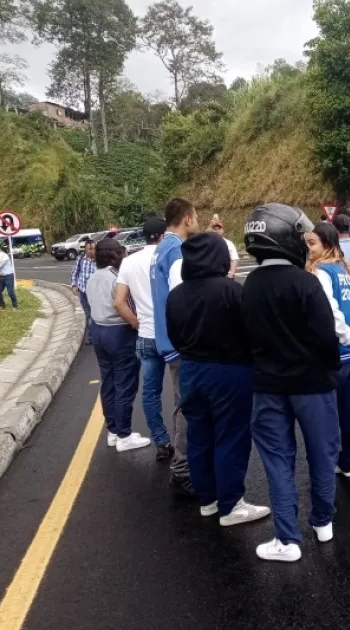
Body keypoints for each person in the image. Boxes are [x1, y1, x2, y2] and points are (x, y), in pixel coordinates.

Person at [240, 203, 342, 563]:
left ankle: (287, 538)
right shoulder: (306, 282)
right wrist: (331, 371)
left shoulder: (249, 285)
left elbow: (244, 338)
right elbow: (326, 337)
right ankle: (323, 523)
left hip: (268, 386)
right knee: (322, 452)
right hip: (313, 384)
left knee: (278, 459)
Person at [165, 232, 271, 527]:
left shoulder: (177, 295)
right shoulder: (230, 290)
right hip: (229, 371)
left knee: (199, 435)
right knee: (231, 436)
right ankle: (231, 503)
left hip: (190, 370)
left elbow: (173, 334)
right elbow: (252, 330)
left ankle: (208, 500)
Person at [304, 222, 350, 477]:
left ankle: (328, 463)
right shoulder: (343, 270)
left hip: (336, 352)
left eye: (312, 244)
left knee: (328, 413)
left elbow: (329, 314)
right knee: (349, 407)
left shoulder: (320, 272)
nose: (308, 249)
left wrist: (349, 336)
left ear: (328, 245)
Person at [150, 197, 200, 496]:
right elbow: (183, 300)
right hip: (182, 343)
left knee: (183, 404)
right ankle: (183, 471)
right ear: (187, 219)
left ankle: (185, 468)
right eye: (195, 217)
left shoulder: (161, 249)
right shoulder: (178, 251)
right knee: (188, 408)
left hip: (167, 340)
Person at [114, 216, 172, 461]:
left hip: (146, 335)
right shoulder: (170, 256)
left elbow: (118, 302)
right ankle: (187, 443)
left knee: (150, 392)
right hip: (173, 335)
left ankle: (161, 441)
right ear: (162, 235)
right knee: (184, 392)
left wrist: (136, 322)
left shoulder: (128, 262)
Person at [86, 239, 150, 453]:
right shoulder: (117, 278)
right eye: (121, 252)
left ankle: (113, 431)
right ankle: (124, 435)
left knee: (109, 382)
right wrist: (135, 322)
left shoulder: (93, 278)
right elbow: (123, 304)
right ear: (115, 256)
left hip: (98, 331)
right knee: (125, 383)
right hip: (119, 333)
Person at [71, 239, 96, 343]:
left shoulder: (100, 260)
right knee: (88, 314)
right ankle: (91, 337)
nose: (92, 251)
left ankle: (96, 335)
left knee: (96, 314)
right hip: (84, 291)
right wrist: (74, 285)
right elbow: (75, 273)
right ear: (85, 249)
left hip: (96, 292)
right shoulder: (80, 259)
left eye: (94, 248)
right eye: (90, 249)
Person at [0, 244, 18, 310]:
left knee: (10, 292)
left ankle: (15, 306)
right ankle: (2, 306)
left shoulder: (4, 256)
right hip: (2, 276)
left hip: (9, 276)